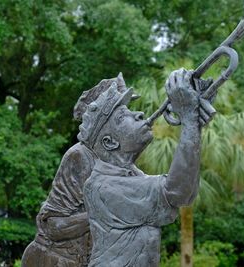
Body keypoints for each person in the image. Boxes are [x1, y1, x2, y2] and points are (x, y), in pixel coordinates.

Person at [81, 68, 215, 266]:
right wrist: (188, 119)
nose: (139, 114)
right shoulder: (103, 187)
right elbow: (179, 193)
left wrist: (193, 120)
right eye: (122, 117)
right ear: (110, 142)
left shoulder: (129, 175)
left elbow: (181, 188)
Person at [21, 74, 136, 267]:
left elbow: (158, 192)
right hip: (54, 260)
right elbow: (53, 225)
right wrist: (104, 212)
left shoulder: (118, 159)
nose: (130, 116)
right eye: (121, 114)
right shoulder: (80, 156)